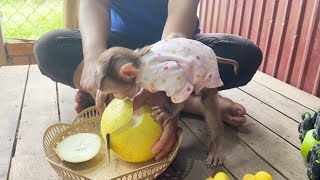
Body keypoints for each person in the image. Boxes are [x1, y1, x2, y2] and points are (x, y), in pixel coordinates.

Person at [34, 0, 263, 161]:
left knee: (245, 53)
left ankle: (166, 95)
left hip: (176, 44)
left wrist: (164, 97)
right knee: (48, 47)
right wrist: (93, 58)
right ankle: (194, 101)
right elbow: (94, 3)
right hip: (120, 48)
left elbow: (176, 31)